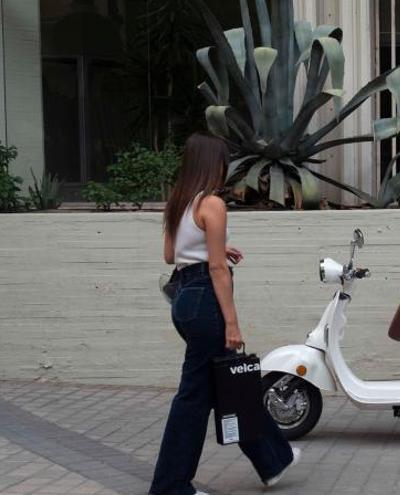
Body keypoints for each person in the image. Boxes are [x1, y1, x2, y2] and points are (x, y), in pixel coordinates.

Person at [150, 133, 299, 495]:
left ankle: (273, 460)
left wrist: (215, 247)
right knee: (193, 397)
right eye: (223, 162)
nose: (225, 169)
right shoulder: (212, 204)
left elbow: (172, 255)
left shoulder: (179, 201)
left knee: (226, 385)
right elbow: (216, 269)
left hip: (184, 299)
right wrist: (232, 322)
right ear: (213, 163)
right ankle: (170, 487)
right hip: (205, 299)